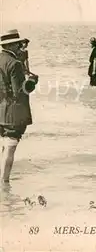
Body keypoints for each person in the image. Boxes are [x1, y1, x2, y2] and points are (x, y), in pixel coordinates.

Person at [0, 29, 39, 183]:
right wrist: (33, 82)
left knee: (4, 146)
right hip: (13, 113)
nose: (19, 46)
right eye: (17, 44)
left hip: (1, 109)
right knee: (10, 148)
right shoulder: (15, 63)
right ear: (11, 46)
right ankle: (4, 182)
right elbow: (20, 91)